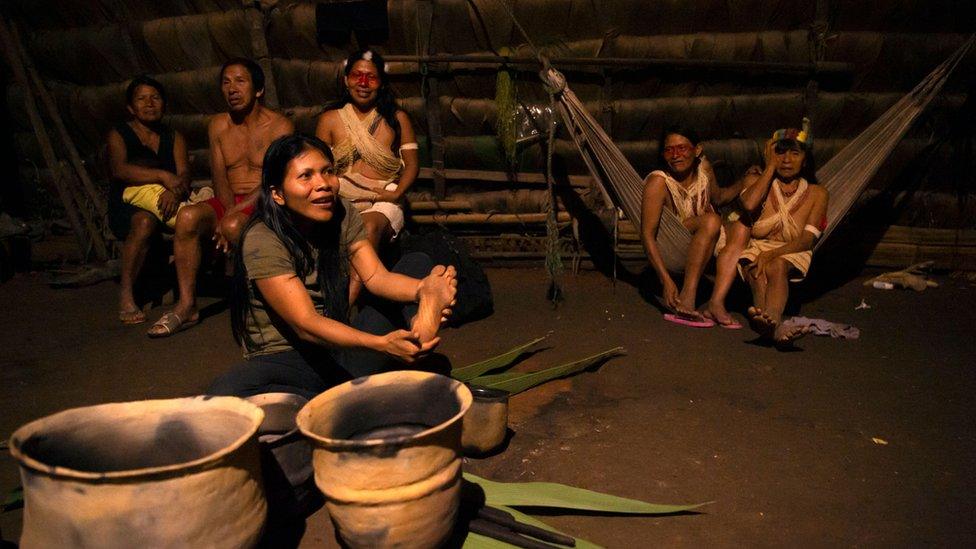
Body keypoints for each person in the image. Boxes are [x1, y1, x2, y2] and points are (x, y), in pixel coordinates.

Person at [209, 133, 456, 400]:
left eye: (327, 172)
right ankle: (367, 383)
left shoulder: (341, 213)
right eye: (306, 176)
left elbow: (376, 277)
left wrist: (425, 290)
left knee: (416, 263)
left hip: (339, 348)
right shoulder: (263, 238)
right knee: (226, 391)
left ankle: (410, 344)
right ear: (277, 194)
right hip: (288, 357)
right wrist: (381, 345)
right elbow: (306, 324)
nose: (323, 184)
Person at [146, 58, 293, 337]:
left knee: (234, 226)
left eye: (240, 81)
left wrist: (232, 217)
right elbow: (219, 177)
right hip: (229, 200)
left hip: (266, 200)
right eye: (226, 82)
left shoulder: (280, 126)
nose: (232, 89)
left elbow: (273, 180)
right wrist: (227, 211)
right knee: (188, 217)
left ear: (258, 90)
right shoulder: (217, 125)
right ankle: (187, 305)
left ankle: (262, 305)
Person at [315, 49, 419, 301]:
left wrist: (397, 194)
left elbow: (412, 165)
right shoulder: (330, 119)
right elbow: (317, 166)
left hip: (383, 196)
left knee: (368, 226)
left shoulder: (397, 118)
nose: (363, 84)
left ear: (381, 83)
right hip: (340, 195)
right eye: (357, 76)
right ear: (346, 79)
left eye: (370, 78)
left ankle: (347, 303)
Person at [718, 122, 829, 347]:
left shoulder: (818, 193)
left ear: (805, 159)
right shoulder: (756, 182)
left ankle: (768, 322)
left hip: (794, 250)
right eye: (780, 152)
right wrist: (769, 168)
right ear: (771, 155)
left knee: (777, 265)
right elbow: (748, 205)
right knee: (755, 271)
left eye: (795, 153)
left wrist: (770, 255)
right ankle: (772, 326)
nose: (786, 159)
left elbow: (807, 239)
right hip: (755, 247)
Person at [107, 75, 191, 324]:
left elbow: (184, 173)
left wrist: (174, 190)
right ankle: (126, 294)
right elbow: (119, 170)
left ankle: (184, 292)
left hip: (166, 200)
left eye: (155, 98)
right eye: (142, 99)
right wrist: (162, 175)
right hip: (127, 203)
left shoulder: (174, 137)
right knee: (144, 222)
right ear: (131, 108)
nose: (149, 103)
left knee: (195, 219)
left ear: (163, 104)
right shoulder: (120, 134)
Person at [640, 126, 739, 326]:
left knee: (741, 229)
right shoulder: (659, 182)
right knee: (712, 220)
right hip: (674, 244)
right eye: (669, 150)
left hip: (705, 241)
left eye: (682, 148)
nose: (675, 155)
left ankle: (717, 302)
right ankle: (688, 297)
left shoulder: (704, 170)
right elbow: (647, 235)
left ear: (697, 150)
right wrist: (665, 280)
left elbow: (718, 198)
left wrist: (744, 182)